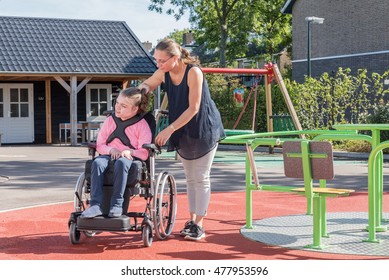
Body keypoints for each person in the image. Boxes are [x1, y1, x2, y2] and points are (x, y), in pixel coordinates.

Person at [139, 38, 225, 241]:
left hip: (203, 126)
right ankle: (193, 221)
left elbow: (194, 108)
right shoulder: (164, 72)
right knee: (190, 177)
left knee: (201, 176)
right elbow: (147, 84)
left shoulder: (193, 72)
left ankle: (199, 225)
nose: (158, 65)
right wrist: (138, 93)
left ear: (175, 58)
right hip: (183, 127)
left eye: (162, 61)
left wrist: (169, 129)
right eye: (156, 60)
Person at [81, 87, 152, 218]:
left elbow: (144, 153)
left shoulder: (142, 125)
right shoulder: (109, 121)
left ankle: (117, 204)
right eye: (117, 103)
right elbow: (100, 145)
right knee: (97, 163)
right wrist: (111, 149)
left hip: (129, 159)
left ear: (135, 109)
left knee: (122, 163)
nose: (118, 108)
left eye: (123, 106)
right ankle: (95, 205)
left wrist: (129, 151)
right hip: (108, 155)